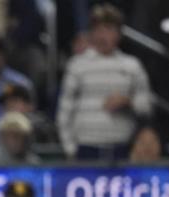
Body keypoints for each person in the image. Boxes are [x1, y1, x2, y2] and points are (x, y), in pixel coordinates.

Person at [57, 4, 152, 161]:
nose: (103, 36)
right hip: (85, 150)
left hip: (122, 150)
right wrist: (70, 149)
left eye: (109, 30)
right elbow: (64, 112)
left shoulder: (132, 66)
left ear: (119, 34)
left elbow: (146, 106)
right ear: (91, 33)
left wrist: (127, 102)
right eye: (99, 30)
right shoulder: (77, 65)